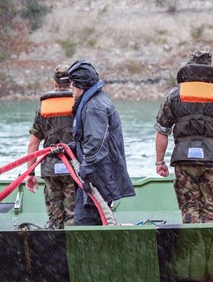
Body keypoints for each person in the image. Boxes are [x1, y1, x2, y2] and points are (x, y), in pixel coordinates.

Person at [154, 51, 213, 224]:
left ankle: (192, 248)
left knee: (189, 208)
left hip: (183, 159)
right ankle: (209, 249)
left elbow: (162, 131)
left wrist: (160, 162)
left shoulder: (174, 95)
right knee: (211, 211)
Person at [66, 60, 134, 225]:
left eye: (72, 84)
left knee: (85, 222)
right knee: (95, 220)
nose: (70, 88)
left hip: (98, 176)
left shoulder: (94, 107)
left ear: (80, 86)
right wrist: (73, 148)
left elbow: (96, 143)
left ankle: (88, 250)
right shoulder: (97, 101)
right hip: (101, 173)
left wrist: (85, 170)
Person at [25, 65, 76, 229]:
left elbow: (33, 144)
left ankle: (55, 246)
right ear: (72, 83)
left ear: (55, 84)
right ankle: (73, 245)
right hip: (73, 167)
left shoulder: (43, 110)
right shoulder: (79, 107)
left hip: (50, 169)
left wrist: (30, 173)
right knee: (73, 216)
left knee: (55, 218)